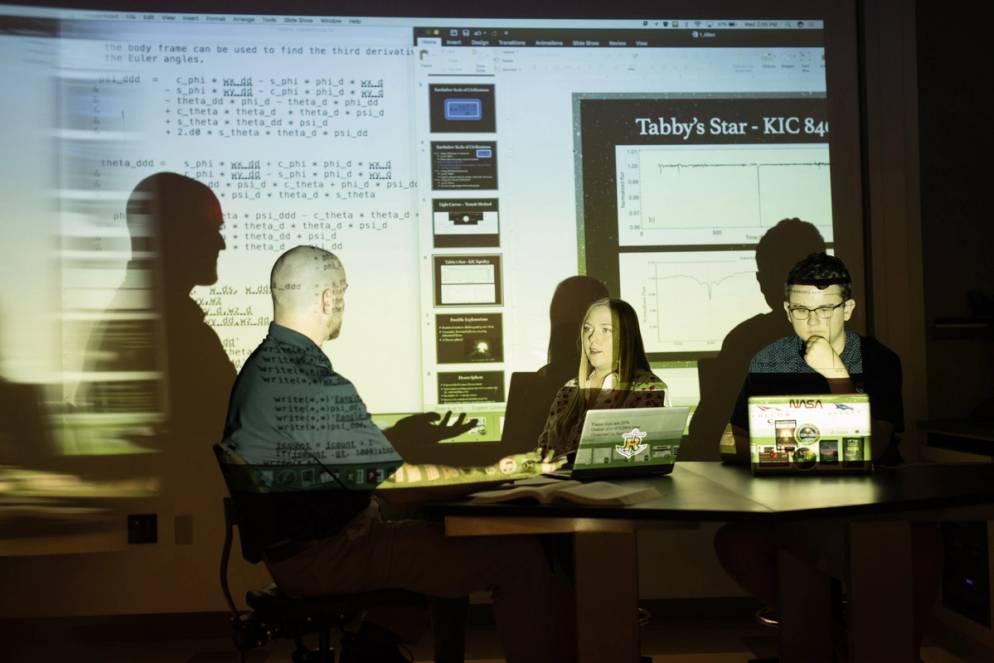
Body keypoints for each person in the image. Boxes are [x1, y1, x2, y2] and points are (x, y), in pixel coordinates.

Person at [221, 245, 574, 663]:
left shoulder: (268, 366)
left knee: (428, 523)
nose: (342, 305)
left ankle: (377, 646)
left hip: (308, 548)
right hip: (330, 555)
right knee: (517, 557)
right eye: (343, 294)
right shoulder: (309, 382)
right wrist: (500, 471)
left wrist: (399, 435)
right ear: (327, 298)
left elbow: (336, 460)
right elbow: (397, 488)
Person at [713, 252, 940, 654]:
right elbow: (734, 437)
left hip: (868, 503)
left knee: (916, 544)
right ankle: (829, 631)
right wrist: (769, 453)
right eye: (802, 309)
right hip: (790, 502)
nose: (814, 321)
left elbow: (876, 442)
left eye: (825, 309)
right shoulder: (769, 359)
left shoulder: (877, 360)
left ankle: (893, 648)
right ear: (787, 310)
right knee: (735, 543)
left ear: (848, 308)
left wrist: (836, 374)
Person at [537, 297, 668, 459]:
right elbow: (544, 450)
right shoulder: (569, 388)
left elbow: (644, 454)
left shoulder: (648, 387)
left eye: (606, 330)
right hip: (562, 482)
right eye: (587, 329)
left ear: (626, 337)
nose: (592, 338)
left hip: (620, 484)